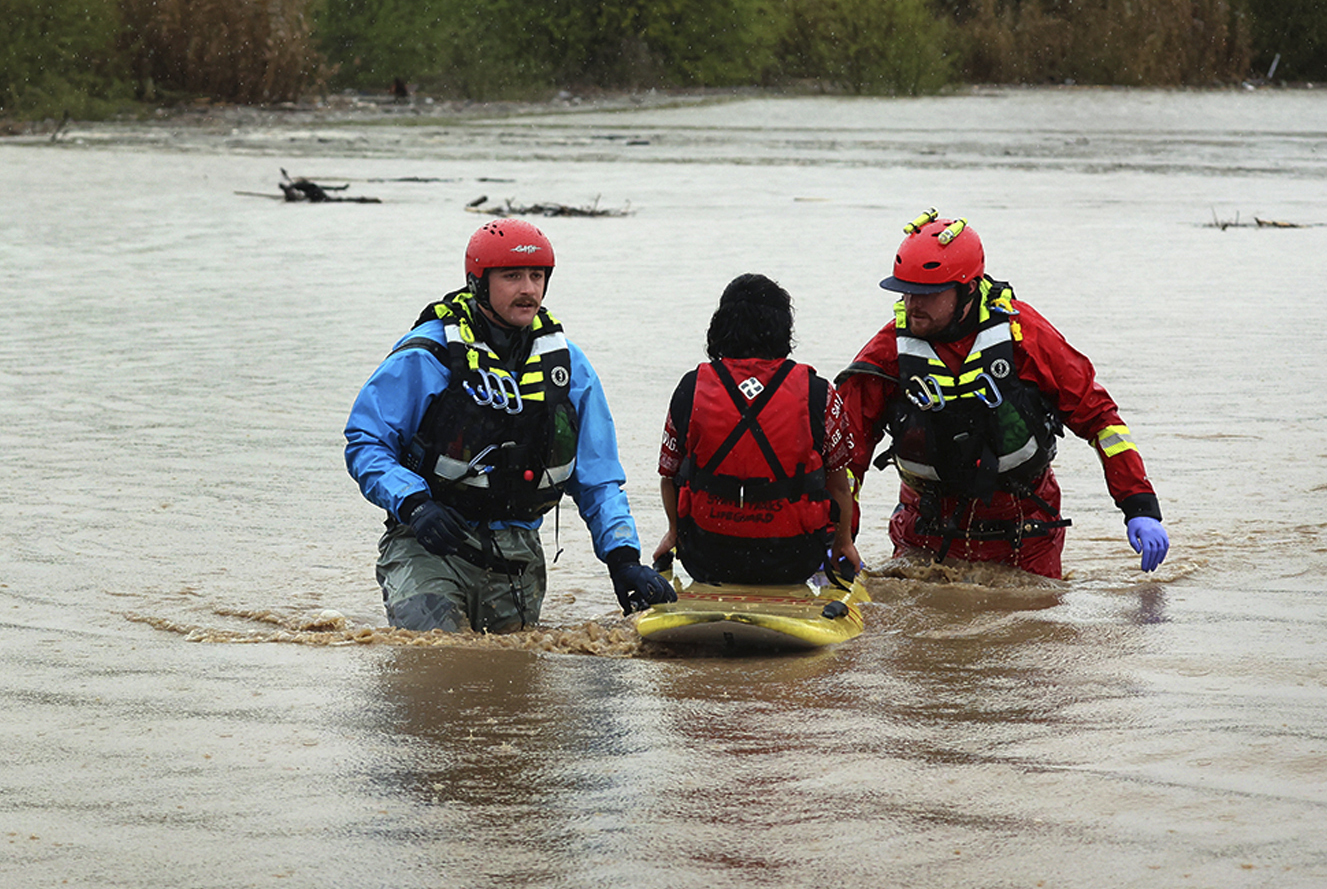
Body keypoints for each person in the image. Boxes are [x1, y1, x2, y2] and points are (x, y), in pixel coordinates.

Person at [344, 219, 676, 633]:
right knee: (438, 658)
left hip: (517, 557)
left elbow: (598, 478)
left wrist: (623, 559)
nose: (529, 289)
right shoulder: (427, 355)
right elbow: (366, 443)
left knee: (510, 685)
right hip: (428, 544)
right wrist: (414, 504)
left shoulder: (568, 367)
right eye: (513, 276)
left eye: (537, 276)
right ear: (478, 282)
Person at [834, 209, 1171, 578]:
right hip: (924, 533)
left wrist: (1139, 507)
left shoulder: (1025, 338)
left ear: (967, 289)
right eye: (907, 292)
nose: (914, 304)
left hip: (1025, 535)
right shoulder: (887, 353)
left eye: (928, 294)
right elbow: (844, 458)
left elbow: (1100, 421)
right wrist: (835, 540)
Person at [651, 274, 861, 586]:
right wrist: (844, 545)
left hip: (707, 557)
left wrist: (673, 532)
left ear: (721, 324)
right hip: (793, 560)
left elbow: (668, 475)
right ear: (782, 327)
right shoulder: (819, 393)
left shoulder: (690, 388)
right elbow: (839, 485)